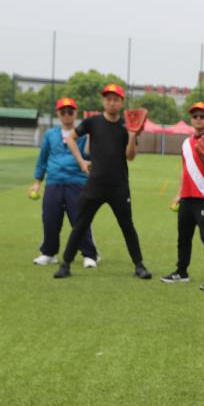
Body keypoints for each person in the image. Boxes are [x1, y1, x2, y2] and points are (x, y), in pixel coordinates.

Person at [53, 84, 152, 280]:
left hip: (119, 186)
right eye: (108, 99)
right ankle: (65, 264)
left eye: (116, 99)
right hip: (95, 184)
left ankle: (139, 265)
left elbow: (130, 156)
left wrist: (132, 135)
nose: (111, 102)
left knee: (127, 226)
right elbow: (71, 138)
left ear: (121, 102)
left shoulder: (126, 125)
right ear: (103, 101)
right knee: (81, 224)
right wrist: (81, 161)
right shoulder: (92, 122)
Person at [161, 101, 204, 291]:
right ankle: (181, 271)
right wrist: (179, 194)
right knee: (183, 238)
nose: (198, 119)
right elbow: (185, 170)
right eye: (195, 116)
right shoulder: (186, 143)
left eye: (202, 116)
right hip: (187, 198)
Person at [31, 97, 98, 267]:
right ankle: (49, 253)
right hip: (53, 182)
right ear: (58, 114)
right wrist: (37, 182)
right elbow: (42, 159)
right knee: (50, 219)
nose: (67, 114)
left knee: (80, 219)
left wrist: (91, 135)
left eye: (70, 111)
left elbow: (89, 155)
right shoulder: (50, 134)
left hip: (77, 182)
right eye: (63, 112)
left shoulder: (83, 133)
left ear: (76, 113)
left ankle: (90, 254)